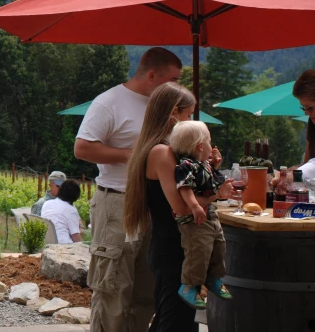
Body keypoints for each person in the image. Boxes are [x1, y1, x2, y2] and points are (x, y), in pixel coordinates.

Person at [74, 46, 182, 332]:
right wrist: (134, 155)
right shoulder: (110, 102)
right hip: (116, 204)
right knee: (113, 291)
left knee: (145, 293)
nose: (177, 88)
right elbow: (82, 148)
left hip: (153, 205)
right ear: (151, 75)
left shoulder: (163, 106)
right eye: (172, 80)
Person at [124, 82, 233, 332]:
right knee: (176, 323)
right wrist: (217, 194)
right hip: (173, 250)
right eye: (188, 115)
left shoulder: (167, 151)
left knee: (172, 319)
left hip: (173, 248)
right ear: (174, 114)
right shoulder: (162, 153)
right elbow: (181, 209)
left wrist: (210, 168)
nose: (190, 121)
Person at [169, 120, 231, 309]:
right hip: (194, 218)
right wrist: (195, 206)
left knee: (219, 245)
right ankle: (189, 286)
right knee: (199, 251)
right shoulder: (185, 166)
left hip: (210, 214)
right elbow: (185, 188)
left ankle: (213, 278)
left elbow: (210, 183)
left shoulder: (203, 164)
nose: (212, 147)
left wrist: (215, 165)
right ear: (200, 146)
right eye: (210, 142)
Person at [40, 179, 83, 243]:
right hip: (64, 246)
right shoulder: (71, 210)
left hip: (45, 243)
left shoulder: (47, 204)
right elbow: (76, 238)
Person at [293, 70, 315, 176]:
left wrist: (294, 174)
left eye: (310, 108)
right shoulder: (312, 122)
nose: (306, 113)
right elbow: (308, 163)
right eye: (304, 108)